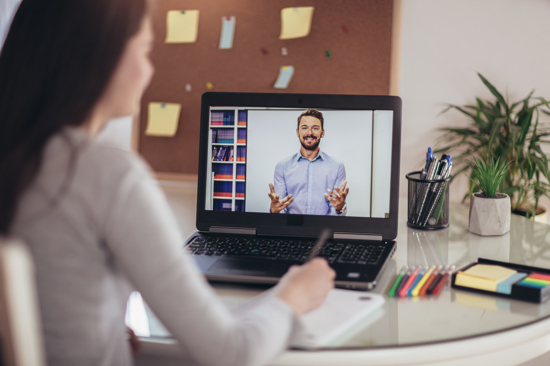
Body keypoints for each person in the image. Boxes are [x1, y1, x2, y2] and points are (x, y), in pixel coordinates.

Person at [0, 1, 335, 365]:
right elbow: (232, 352)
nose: (149, 70)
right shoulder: (108, 175)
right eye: (145, 50)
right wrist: (293, 295)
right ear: (102, 57)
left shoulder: (16, 154)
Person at [268, 109, 350, 215]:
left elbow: (335, 209)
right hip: (291, 229)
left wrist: (340, 208)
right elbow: (280, 207)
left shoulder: (337, 166)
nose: (309, 133)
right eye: (304, 128)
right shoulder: (282, 166)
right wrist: (274, 211)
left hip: (324, 229)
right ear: (298, 132)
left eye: (315, 128)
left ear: (322, 133)